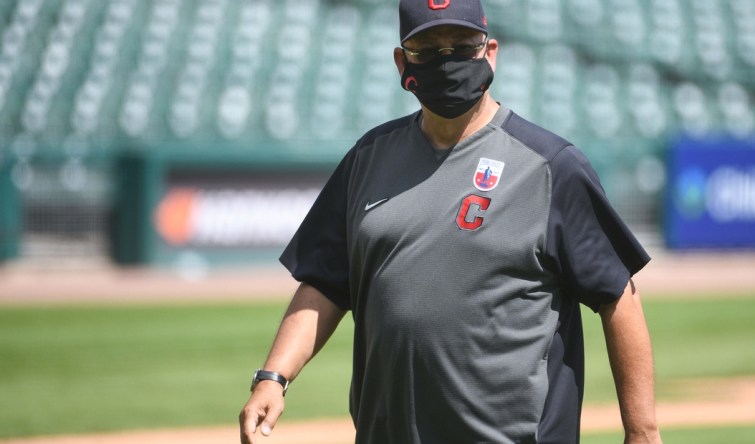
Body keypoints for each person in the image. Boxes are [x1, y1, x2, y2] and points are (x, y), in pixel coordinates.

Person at [240, 0, 663, 442]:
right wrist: (274, 375)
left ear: (490, 52)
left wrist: (642, 432)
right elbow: (325, 282)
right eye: (428, 48)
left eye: (462, 45)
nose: (448, 60)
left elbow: (619, 297)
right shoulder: (367, 158)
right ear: (402, 61)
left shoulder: (551, 165)